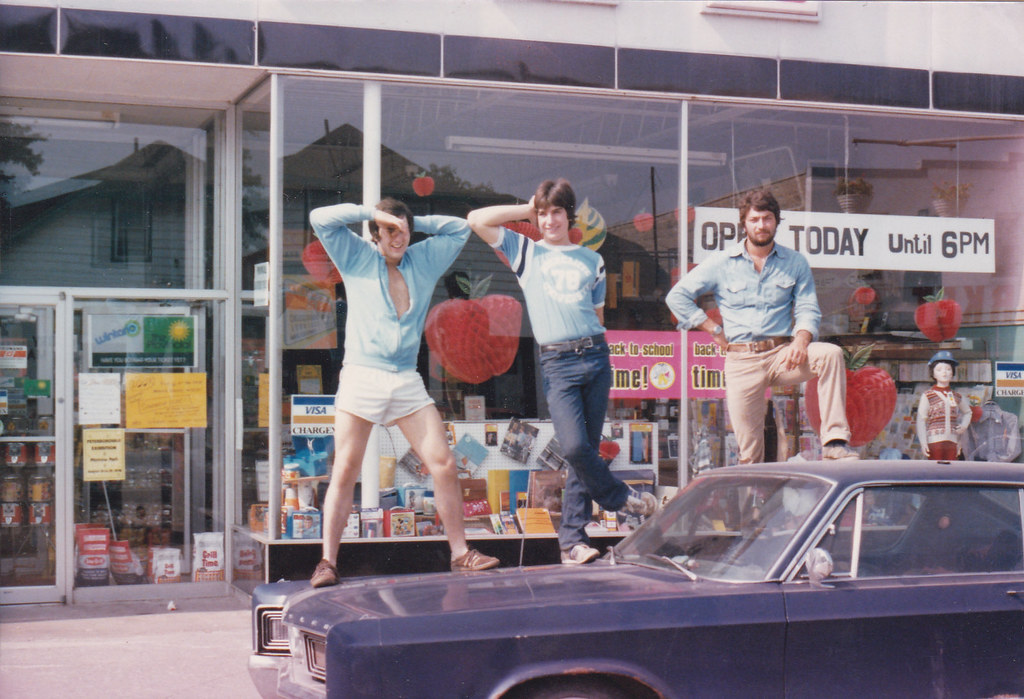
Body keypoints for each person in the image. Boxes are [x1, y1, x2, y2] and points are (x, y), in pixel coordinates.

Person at [308, 198, 499, 587]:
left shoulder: (422, 260)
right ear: (376, 234)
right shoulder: (357, 256)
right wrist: (372, 215)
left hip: (405, 379)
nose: (398, 237)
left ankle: (461, 553)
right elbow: (319, 218)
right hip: (362, 374)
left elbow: (460, 227)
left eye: (404, 231)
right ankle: (327, 562)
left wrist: (411, 221)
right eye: (390, 230)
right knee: (345, 469)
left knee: (443, 463)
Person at [467, 179, 658, 566]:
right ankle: (622, 499)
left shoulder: (593, 260)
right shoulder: (526, 252)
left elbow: (598, 316)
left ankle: (572, 541)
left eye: (557, 212)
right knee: (574, 447)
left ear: (568, 215)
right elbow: (476, 219)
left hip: (596, 357)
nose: (550, 220)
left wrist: (598, 351)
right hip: (558, 363)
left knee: (581, 453)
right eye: (544, 213)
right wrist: (528, 209)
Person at [665, 188, 857, 464]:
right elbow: (677, 296)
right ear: (744, 223)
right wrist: (713, 329)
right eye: (754, 219)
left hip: (782, 355)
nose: (761, 225)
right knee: (749, 454)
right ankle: (751, 506)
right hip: (742, 360)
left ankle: (834, 442)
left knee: (830, 355)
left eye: (767, 218)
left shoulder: (795, 262)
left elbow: (807, 308)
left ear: (776, 221)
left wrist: (800, 341)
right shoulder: (722, 262)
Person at [916, 350, 971, 460]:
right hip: (934, 442)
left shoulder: (956, 396)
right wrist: (923, 442)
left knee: (951, 472)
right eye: (939, 370)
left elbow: (968, 412)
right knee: (935, 471)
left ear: (952, 372)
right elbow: (921, 420)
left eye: (948, 369)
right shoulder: (928, 395)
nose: (944, 373)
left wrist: (964, 426)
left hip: (953, 441)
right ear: (933, 373)